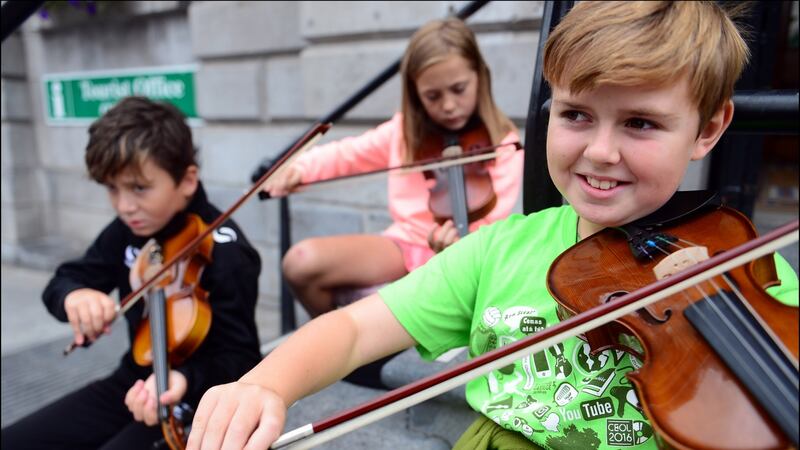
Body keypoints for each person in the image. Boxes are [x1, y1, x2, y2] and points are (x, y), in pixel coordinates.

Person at [186, 2, 799, 450]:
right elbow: (352, 328)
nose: (601, 152)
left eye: (640, 123)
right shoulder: (500, 250)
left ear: (709, 129)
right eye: (577, 114)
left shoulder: (747, 266)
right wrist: (265, 385)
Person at [1, 96, 263, 450]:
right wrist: (75, 296)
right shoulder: (129, 229)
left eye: (139, 188)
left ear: (187, 180)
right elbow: (65, 279)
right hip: (132, 383)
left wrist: (184, 378)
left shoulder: (226, 252)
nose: (124, 206)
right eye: (113, 188)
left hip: (201, 401)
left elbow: (243, 361)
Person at [261, 17, 524, 319]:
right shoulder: (403, 132)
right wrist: (300, 169)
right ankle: (345, 353)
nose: (449, 105)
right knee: (300, 261)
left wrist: (458, 245)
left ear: (480, 76)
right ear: (415, 93)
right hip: (403, 247)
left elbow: (489, 223)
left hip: (467, 254)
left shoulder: (503, 143)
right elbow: (348, 154)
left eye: (458, 89)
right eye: (433, 96)